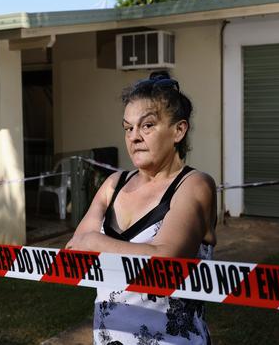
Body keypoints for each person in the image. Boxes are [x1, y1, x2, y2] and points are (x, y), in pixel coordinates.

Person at [65, 71, 217, 345]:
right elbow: (74, 254)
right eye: (128, 128)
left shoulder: (194, 185)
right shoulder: (114, 184)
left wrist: (94, 241)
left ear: (178, 131)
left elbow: (162, 262)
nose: (134, 137)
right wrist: (89, 243)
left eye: (146, 126)